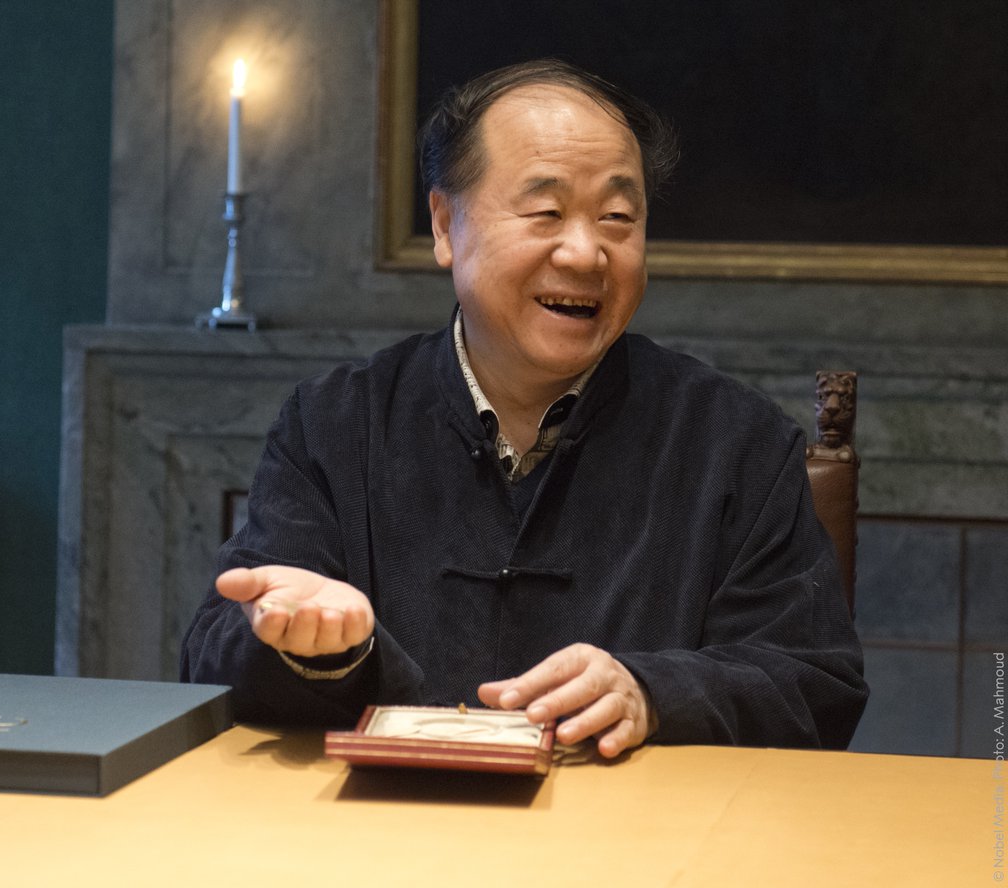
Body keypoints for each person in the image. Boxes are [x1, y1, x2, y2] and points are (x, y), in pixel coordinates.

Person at [181, 59, 867, 759]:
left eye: (618, 218)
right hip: (387, 818)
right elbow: (214, 657)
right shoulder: (333, 423)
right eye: (546, 213)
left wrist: (652, 693)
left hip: (634, 823)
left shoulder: (736, 442)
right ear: (445, 225)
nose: (586, 253)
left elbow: (813, 683)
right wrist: (319, 647)